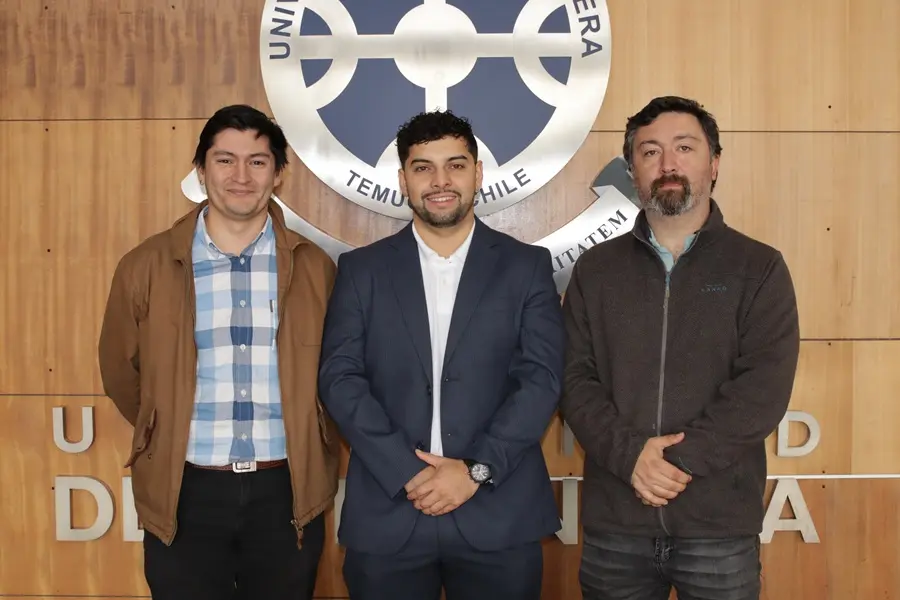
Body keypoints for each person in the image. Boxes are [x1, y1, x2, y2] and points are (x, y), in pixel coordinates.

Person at [317, 110, 565, 600]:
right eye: (423, 167)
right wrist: (407, 472)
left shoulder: (526, 267)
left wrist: (475, 471)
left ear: (477, 173)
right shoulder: (361, 270)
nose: (440, 181)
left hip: (498, 512)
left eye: (455, 165)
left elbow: (542, 381)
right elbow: (340, 379)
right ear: (403, 181)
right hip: (390, 512)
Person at [560, 96, 800, 600]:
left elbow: (762, 390)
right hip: (616, 525)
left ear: (714, 163)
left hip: (718, 528)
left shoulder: (758, 268)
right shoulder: (596, 271)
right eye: (650, 152)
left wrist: (677, 463)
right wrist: (632, 458)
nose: (668, 164)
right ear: (633, 171)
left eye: (684, 148)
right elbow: (573, 379)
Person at [98, 104, 339, 600]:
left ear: (278, 174)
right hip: (184, 491)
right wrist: (163, 425)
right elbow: (122, 371)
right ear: (201, 169)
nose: (241, 176)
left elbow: (340, 374)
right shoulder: (146, 265)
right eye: (225, 160)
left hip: (287, 491)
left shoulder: (315, 268)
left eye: (257, 161)